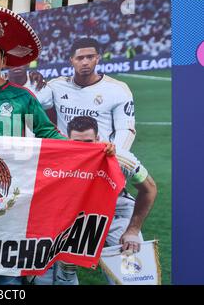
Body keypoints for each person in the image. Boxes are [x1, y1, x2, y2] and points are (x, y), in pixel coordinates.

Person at [0, 4, 114, 285]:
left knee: (9, 280)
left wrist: (87, 151)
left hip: (10, 198)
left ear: (3, 61)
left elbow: (46, 132)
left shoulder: (22, 98)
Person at [32, 116, 157, 285]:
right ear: (67, 140)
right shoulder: (57, 158)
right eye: (77, 142)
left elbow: (149, 189)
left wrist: (133, 230)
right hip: (76, 216)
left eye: (89, 141)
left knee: (133, 273)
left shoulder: (119, 158)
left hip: (116, 212)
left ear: (98, 139)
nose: (84, 147)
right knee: (63, 272)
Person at [41, 37, 136, 150]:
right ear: (71, 60)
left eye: (90, 57)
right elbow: (32, 104)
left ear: (97, 58)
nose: (85, 62)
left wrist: (117, 153)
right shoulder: (55, 86)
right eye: (80, 58)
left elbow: (125, 129)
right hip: (67, 157)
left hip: (101, 157)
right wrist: (32, 80)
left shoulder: (118, 89)